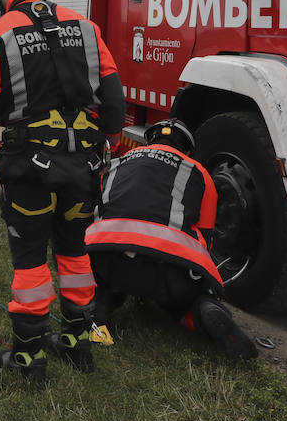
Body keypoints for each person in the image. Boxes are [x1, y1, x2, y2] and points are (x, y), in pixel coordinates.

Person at [0, 0, 125, 378]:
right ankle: (77, 343)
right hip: (83, 164)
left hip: (30, 166)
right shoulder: (86, 27)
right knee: (75, 252)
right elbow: (115, 101)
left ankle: (29, 357)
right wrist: (109, 143)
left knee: (30, 261)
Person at [85, 119, 257, 359]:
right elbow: (205, 240)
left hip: (109, 258)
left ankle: (98, 310)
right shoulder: (200, 174)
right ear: (187, 149)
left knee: (104, 283)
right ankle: (202, 312)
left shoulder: (119, 162)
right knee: (182, 300)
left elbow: (98, 207)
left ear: (151, 140)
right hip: (167, 272)